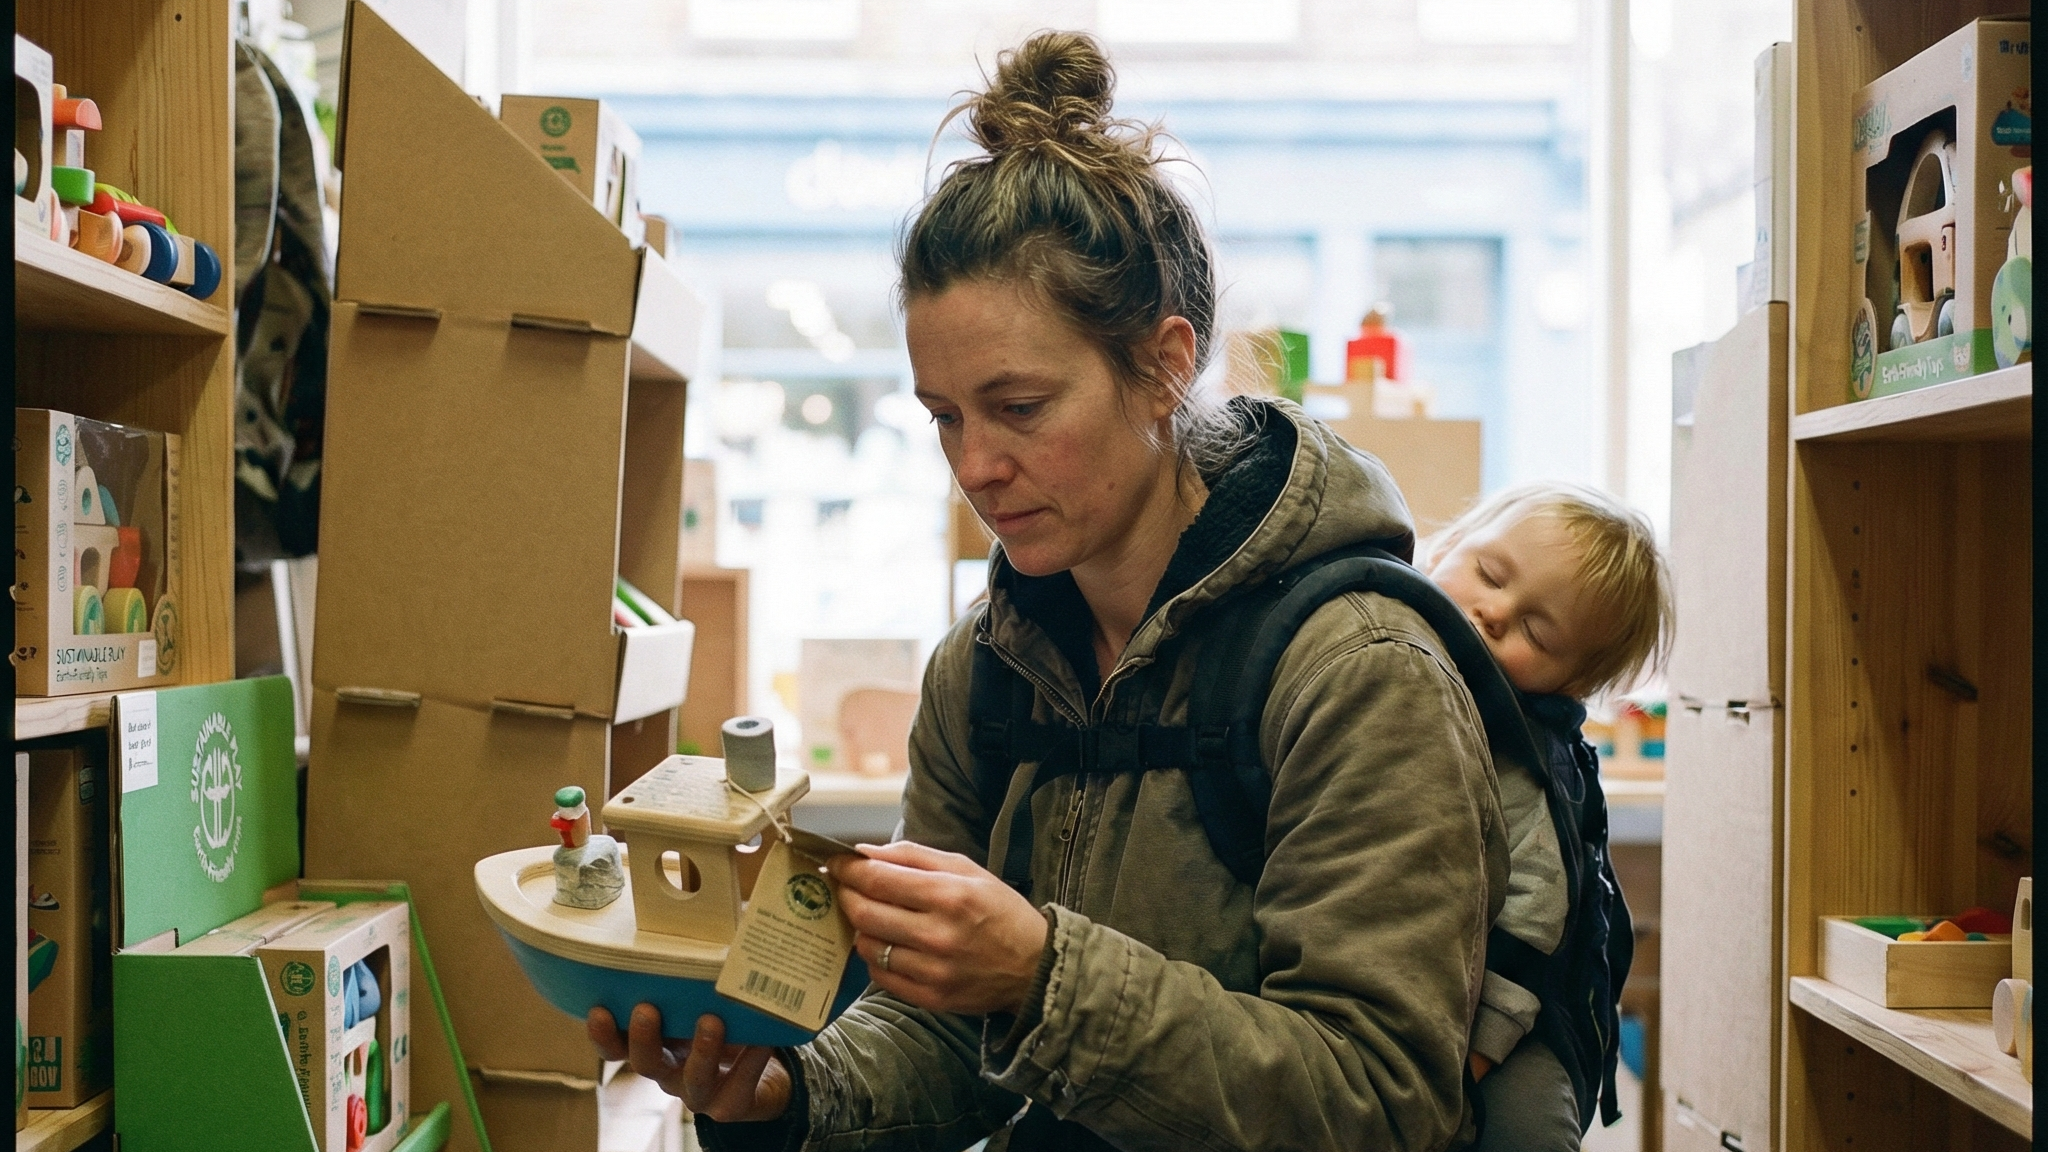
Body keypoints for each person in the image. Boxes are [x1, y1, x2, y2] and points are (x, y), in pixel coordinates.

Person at [591, 30, 1511, 1151]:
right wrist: (787, 1093)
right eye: (942, 415)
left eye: (1018, 407)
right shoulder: (983, 669)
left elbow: (1379, 1105)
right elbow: (938, 1038)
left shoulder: (1357, 673)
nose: (973, 465)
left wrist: (1039, 975)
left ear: (1165, 367)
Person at [1421, 482, 1671, 1152]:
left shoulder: (1527, 760)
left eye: (1536, 630)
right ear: (1446, 546)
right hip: (1394, 978)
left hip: (1515, 1011)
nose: (1495, 612)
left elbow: (1532, 927)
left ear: (1571, 686)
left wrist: (1477, 1055)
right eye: (1489, 573)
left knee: (1526, 1128)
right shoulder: (1369, 646)